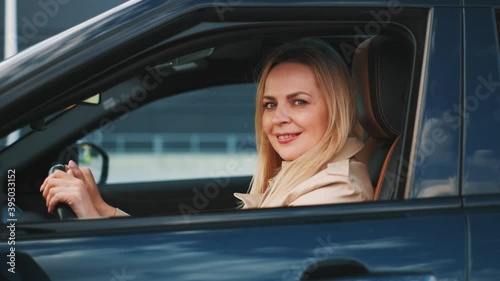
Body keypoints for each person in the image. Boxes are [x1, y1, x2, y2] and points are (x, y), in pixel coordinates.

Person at [40, 38, 373, 218]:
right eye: (270, 104)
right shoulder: (305, 176)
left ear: (338, 109)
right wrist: (103, 213)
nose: (278, 118)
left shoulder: (333, 194)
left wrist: (91, 221)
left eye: (299, 101)